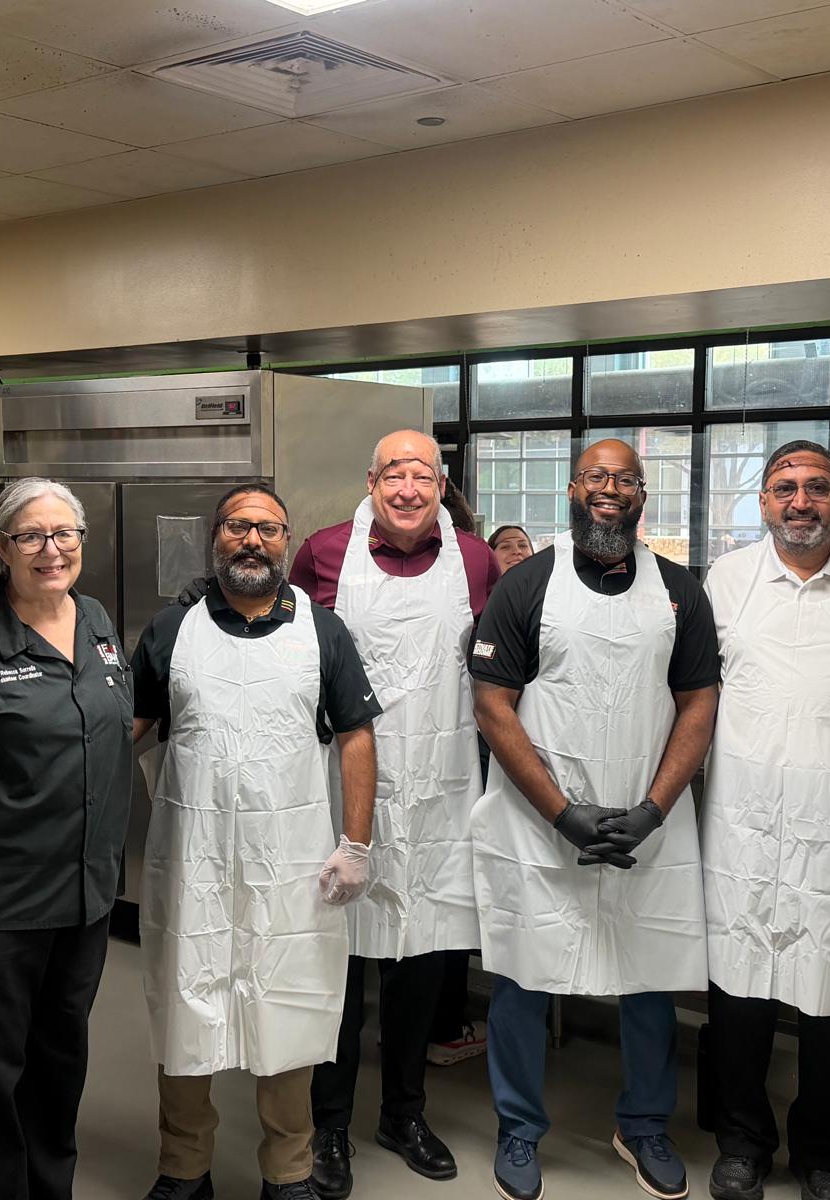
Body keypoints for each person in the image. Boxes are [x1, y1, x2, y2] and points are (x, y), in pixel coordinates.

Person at [471, 437, 720, 1200]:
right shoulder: (526, 585)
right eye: (595, 477)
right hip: (541, 822)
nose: (610, 490)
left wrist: (653, 810)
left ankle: (643, 1124)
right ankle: (519, 1128)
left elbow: (698, 702)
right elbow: (492, 705)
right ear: (572, 489)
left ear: (643, 496)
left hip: (646, 823)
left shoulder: (679, 591)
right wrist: (561, 812)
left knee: (650, 974)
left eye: (626, 480)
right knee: (525, 972)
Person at [133, 484, 381, 1200]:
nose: (253, 540)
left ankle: (289, 1171)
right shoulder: (171, 629)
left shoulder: (323, 631)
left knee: (287, 1006)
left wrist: (356, 844)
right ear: (215, 536)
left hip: (290, 859)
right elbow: (132, 727)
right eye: (239, 526)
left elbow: (357, 736)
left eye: (268, 529)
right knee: (185, 1004)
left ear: (286, 541)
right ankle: (184, 1169)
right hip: (193, 857)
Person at [290, 430, 500, 1197]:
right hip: (342, 787)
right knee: (339, 967)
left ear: (442, 485)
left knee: (421, 959)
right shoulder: (322, 552)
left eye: (423, 475)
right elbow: (291, 653)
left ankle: (404, 1113)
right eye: (394, 474)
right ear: (370, 480)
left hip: (439, 792)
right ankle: (329, 1124)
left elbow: (498, 665)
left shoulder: (474, 559)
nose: (409, 489)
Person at [699, 440, 830, 1200]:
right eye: (785, 487)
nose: (800, 500)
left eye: (817, 487)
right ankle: (741, 1143)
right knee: (739, 988)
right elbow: (698, 690)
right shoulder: (727, 580)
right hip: (744, 818)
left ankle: (822, 1152)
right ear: (763, 502)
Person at [0, 478, 132, 1200]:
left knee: (60, 1059)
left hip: (85, 896)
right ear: (0, 547)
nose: (52, 550)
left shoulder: (96, 620)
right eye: (31, 536)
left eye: (64, 534)